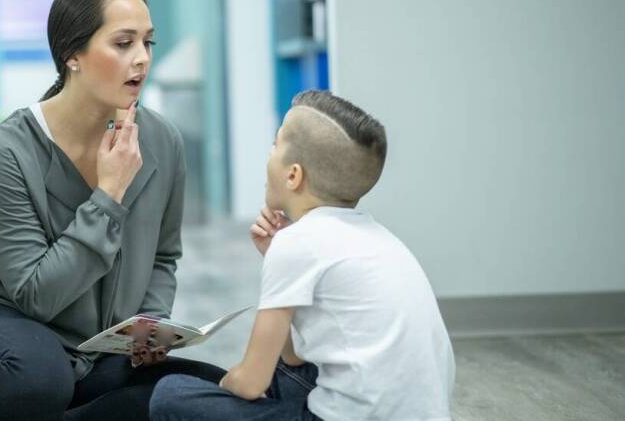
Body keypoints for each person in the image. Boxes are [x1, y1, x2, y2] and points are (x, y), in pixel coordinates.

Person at [0, 0, 224, 421]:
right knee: (41, 378)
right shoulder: (3, 150)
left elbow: (163, 257)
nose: (142, 59)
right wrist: (109, 192)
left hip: (91, 347)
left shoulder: (163, 142)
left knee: (209, 389)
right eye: (123, 43)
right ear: (73, 54)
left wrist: (149, 329)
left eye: (147, 42)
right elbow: (38, 295)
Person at [150, 90, 455, 421]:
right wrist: (275, 260)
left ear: (293, 175)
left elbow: (251, 383)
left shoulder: (297, 244)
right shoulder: (378, 238)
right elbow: (294, 361)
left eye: (275, 144)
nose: (268, 153)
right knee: (285, 368)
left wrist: (218, 398)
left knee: (170, 394)